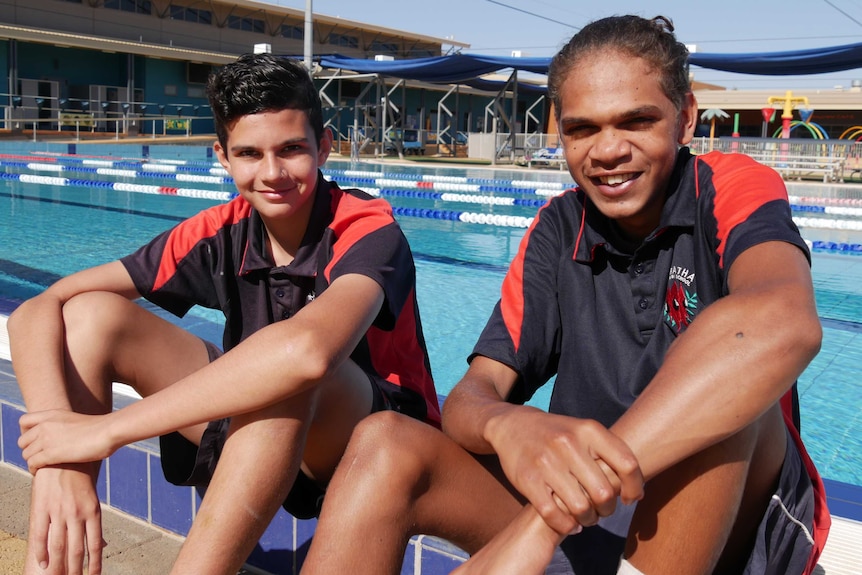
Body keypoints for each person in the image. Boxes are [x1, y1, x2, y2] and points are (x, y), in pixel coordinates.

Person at [299, 15, 830, 575]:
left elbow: (785, 322)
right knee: (384, 443)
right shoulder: (557, 227)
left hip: (730, 528)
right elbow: (469, 398)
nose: (608, 150)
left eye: (637, 121)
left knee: (734, 377)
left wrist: (542, 521)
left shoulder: (728, 186)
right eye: (582, 129)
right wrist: (510, 425)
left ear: (686, 119)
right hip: (590, 512)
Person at [12, 52, 440, 575]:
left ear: (324, 147)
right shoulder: (220, 229)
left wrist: (108, 430)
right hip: (265, 428)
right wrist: (62, 453)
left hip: (379, 441)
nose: (272, 173)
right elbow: (42, 307)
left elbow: (307, 354)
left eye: (292, 150)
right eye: (249, 154)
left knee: (288, 368)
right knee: (91, 317)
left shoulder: (368, 230)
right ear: (222, 156)